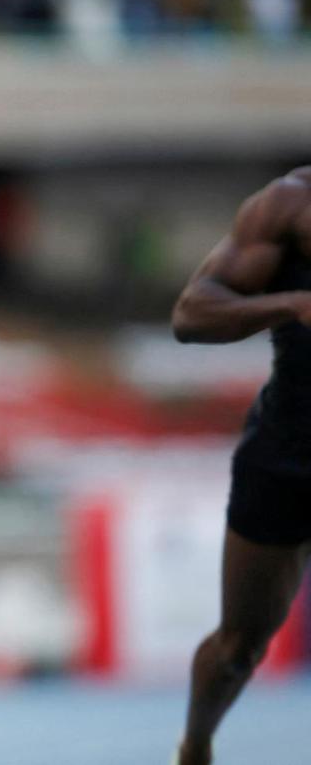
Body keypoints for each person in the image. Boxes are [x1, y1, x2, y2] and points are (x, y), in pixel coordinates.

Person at [170, 167, 311, 765]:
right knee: (239, 646)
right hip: (290, 454)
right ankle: (196, 745)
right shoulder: (291, 205)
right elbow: (191, 314)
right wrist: (293, 303)